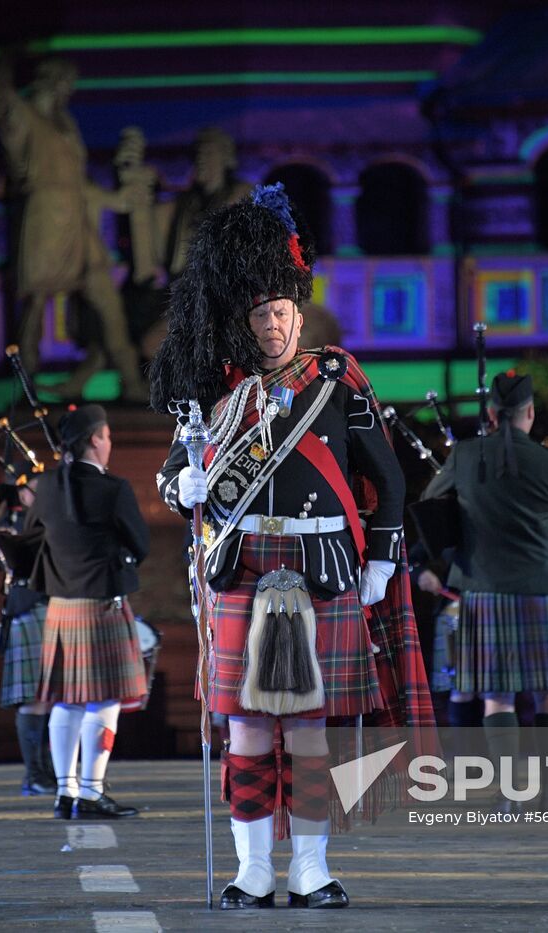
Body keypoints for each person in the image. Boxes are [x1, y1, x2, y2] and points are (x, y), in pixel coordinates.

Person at [152, 184, 433, 910]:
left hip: (326, 573)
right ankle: (252, 870)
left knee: (310, 729)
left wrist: (380, 561)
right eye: (260, 313)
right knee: (246, 726)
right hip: (244, 569)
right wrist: (181, 483)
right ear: (243, 319)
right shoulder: (219, 391)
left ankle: (309, 867)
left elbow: (389, 478)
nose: (272, 325)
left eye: (282, 311)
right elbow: (175, 473)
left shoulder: (335, 378)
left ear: (299, 314)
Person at [421, 370, 548, 812]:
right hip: (540, 587)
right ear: (530, 413)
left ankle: (511, 794)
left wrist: (459, 546)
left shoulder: (466, 457)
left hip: (483, 588)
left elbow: (430, 510)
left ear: (490, 414)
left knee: (496, 694)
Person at [0, 56, 147, 402]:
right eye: (65, 83)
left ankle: (131, 378)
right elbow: (1, 100)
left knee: (106, 296)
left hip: (77, 220)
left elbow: (77, 182)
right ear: (50, 81)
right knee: (35, 304)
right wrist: (8, 57)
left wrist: (114, 199)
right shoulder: (25, 116)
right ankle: (25, 384)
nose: (68, 91)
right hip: (45, 219)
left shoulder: (66, 123)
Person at [18, 406, 149, 819]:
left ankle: (64, 792)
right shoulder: (114, 490)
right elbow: (140, 545)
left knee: (67, 701)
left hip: (60, 607)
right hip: (102, 605)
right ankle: (91, 792)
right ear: (95, 439)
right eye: (107, 436)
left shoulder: (47, 488)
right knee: (105, 701)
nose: (109, 443)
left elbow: (30, 539)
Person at [0, 475, 56, 797]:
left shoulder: (46, 518)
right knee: (34, 699)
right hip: (27, 607)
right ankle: (34, 774)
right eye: (38, 489)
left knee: (50, 699)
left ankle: (47, 772)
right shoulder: (13, 523)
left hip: (48, 606)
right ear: (23, 492)